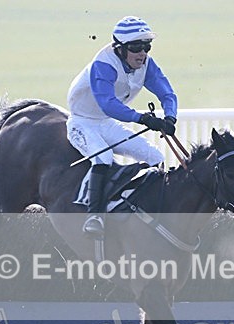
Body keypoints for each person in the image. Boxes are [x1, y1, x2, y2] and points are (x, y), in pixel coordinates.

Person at [67, 16, 178, 235]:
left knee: (156, 157)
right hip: (82, 122)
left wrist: (170, 117)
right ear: (119, 48)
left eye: (146, 46)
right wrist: (143, 118)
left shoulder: (146, 64)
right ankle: (94, 217)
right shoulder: (104, 65)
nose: (143, 53)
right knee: (103, 158)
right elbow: (108, 104)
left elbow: (167, 92)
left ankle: (155, 209)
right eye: (136, 47)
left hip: (106, 124)